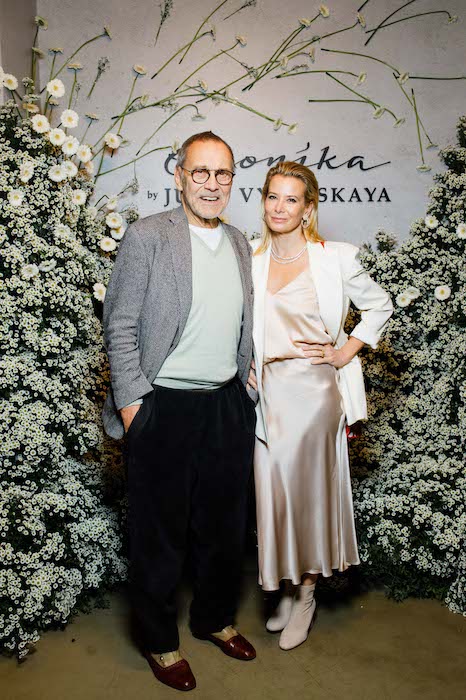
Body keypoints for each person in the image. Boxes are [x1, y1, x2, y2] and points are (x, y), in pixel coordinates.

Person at [102, 132, 257, 692]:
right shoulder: (148, 235)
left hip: (226, 405)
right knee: (159, 535)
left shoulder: (239, 241)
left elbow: (241, 319)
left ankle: (213, 618)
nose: (212, 184)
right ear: (180, 176)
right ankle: (159, 640)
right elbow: (120, 322)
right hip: (162, 405)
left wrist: (246, 382)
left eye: (223, 173)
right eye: (201, 172)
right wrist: (132, 404)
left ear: (232, 180)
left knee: (225, 529)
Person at [247, 161, 393, 651]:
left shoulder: (336, 258)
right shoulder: (251, 257)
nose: (280, 207)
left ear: (308, 209)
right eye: (273, 196)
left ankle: (306, 595)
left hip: (313, 393)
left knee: (308, 497)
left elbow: (381, 305)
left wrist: (345, 351)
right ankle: (287, 587)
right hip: (267, 395)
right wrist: (244, 365)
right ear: (263, 201)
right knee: (275, 497)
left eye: (291, 199)